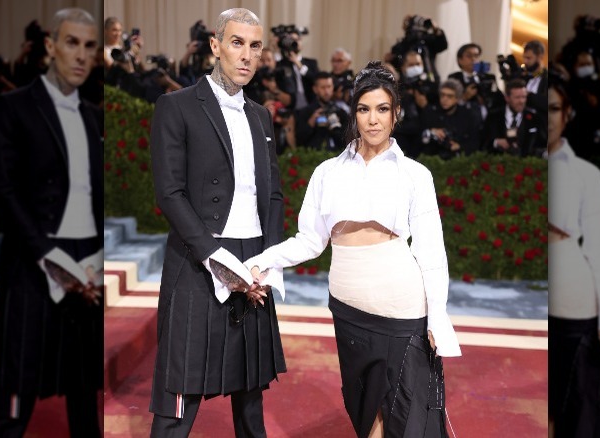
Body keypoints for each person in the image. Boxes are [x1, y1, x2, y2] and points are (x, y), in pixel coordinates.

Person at [243, 60, 461, 438]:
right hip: (348, 308)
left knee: (405, 420)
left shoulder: (414, 175)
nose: (372, 120)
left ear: (396, 114)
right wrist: (263, 261)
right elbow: (310, 240)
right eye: (364, 109)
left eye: (382, 110)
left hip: (401, 308)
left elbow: (431, 251)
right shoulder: (328, 172)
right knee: (366, 416)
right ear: (353, 113)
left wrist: (437, 316)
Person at [148, 8, 286, 438]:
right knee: (179, 397)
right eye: (236, 42)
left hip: (254, 260)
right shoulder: (176, 107)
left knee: (250, 398)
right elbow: (170, 194)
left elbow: (274, 196)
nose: (246, 55)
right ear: (215, 45)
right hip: (199, 258)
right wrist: (216, 258)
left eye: (255, 45)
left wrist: (269, 261)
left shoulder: (262, 117)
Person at [0, 8, 103, 437]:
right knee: (15, 391)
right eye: (72, 42)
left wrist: (97, 258)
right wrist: (48, 257)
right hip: (32, 263)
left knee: (85, 394)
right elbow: (4, 191)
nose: (81, 55)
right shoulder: (13, 108)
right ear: (50, 46)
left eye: (90, 46)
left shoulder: (93, 117)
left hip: (87, 263)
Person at [547, 72, 600, 438]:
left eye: (553, 108)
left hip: (574, 303)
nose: (546, 116)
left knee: (575, 409)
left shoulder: (586, 174)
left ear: (567, 114)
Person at [484, 78, 545, 157]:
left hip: (527, 166)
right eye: (517, 97)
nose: (521, 101)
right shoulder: (494, 116)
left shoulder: (534, 118)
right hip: (498, 165)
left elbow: (541, 145)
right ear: (507, 98)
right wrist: (496, 142)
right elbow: (483, 141)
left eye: (524, 97)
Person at [295, 71, 349, 150]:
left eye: (329, 87)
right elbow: (299, 140)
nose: (326, 91)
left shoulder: (341, 112)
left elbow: (347, 141)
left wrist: (336, 127)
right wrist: (311, 123)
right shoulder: (306, 112)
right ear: (315, 89)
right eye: (323, 88)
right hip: (314, 157)